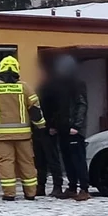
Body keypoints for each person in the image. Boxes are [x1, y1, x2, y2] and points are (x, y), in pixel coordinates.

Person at [0, 56, 45, 201]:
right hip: (23, 136)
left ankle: (9, 194)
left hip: (1, 137)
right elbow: (35, 111)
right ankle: (30, 193)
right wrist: (41, 126)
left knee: (5, 163)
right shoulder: (25, 88)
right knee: (27, 162)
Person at [43, 54, 91, 201]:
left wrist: (77, 125)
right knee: (67, 160)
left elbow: (81, 105)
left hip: (74, 129)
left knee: (78, 159)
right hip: (63, 128)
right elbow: (57, 108)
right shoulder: (59, 86)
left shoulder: (77, 84)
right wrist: (54, 125)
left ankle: (84, 188)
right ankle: (72, 187)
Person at [33, 61, 64, 197]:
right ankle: (40, 186)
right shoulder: (42, 88)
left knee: (52, 159)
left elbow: (59, 110)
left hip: (49, 128)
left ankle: (57, 186)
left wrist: (54, 126)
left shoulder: (56, 89)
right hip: (38, 129)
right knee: (40, 160)